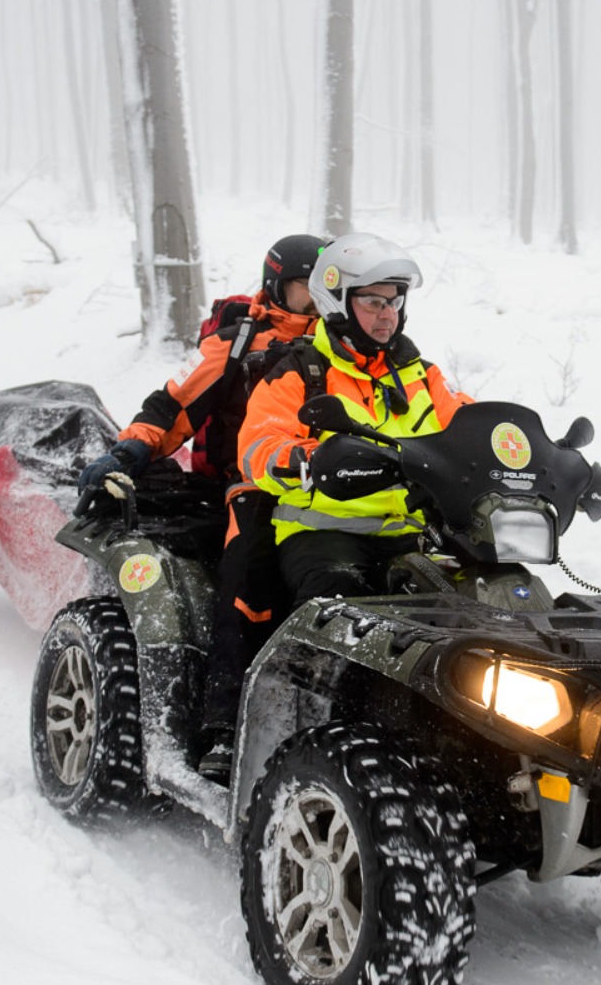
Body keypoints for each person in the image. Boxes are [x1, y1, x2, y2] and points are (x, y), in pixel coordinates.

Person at [77, 233, 327, 777]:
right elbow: (178, 404)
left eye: (325, 288)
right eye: (304, 288)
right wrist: (129, 451)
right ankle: (223, 724)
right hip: (252, 483)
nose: (316, 300)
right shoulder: (245, 342)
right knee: (246, 582)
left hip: (341, 493)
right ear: (276, 284)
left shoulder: (349, 340)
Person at [237, 232, 474, 617]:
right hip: (324, 534)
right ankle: (300, 678)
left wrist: (524, 451)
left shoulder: (423, 375)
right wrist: (314, 461)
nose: (387, 313)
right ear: (338, 303)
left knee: (484, 596)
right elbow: (258, 449)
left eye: (394, 301)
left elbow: (469, 426)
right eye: (373, 301)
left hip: (412, 535)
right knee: (337, 602)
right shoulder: (300, 372)